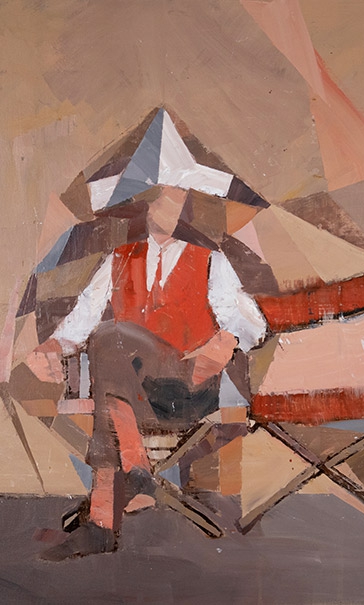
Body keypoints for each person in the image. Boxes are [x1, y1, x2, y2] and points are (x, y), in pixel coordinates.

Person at [37, 185, 267, 560]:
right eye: (162, 200)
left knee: (110, 341)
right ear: (147, 206)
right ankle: (111, 510)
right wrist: (50, 347)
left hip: (187, 388)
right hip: (133, 394)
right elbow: (80, 321)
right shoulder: (118, 258)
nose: (168, 209)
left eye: (178, 202)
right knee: (110, 377)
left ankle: (127, 483)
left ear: (187, 211)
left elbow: (254, 324)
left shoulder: (210, 260)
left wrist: (227, 339)